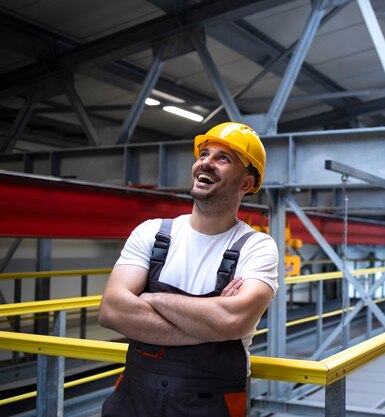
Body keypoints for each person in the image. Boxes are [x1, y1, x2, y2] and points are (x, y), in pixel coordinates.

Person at [98, 122, 278, 417]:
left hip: (210, 402)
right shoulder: (152, 233)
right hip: (134, 398)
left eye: (223, 158)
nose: (206, 162)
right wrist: (210, 322)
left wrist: (152, 299)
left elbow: (233, 321)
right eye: (204, 154)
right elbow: (112, 310)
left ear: (245, 184)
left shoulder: (256, 246)